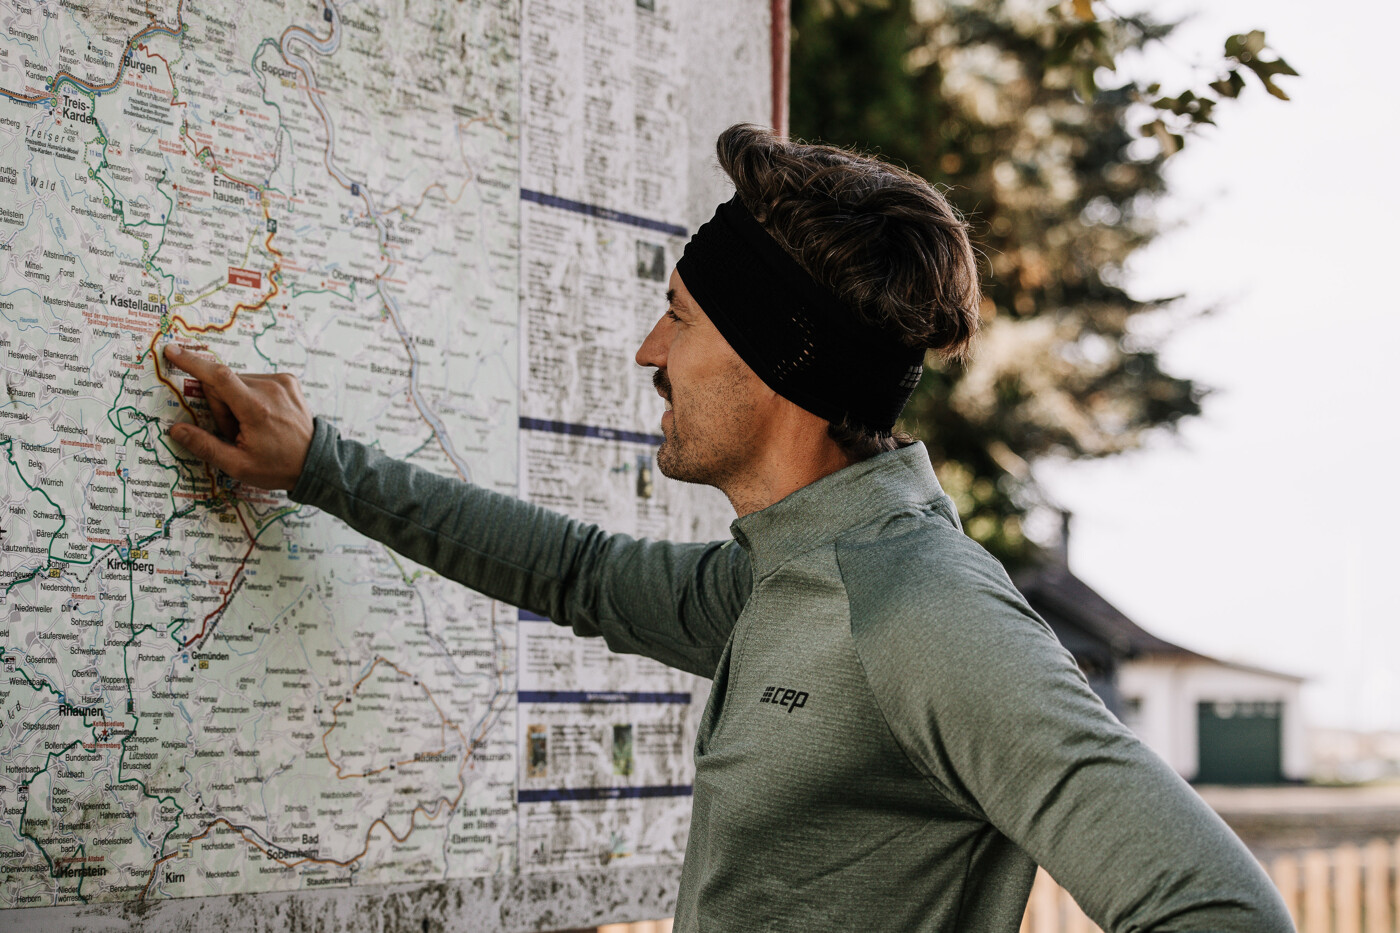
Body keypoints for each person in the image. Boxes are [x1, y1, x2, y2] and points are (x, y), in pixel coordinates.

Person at [163, 125, 1291, 932]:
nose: (649, 352)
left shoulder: (924, 612)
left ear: (779, 358)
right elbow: (577, 572)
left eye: (680, 317)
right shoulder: (784, 579)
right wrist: (316, 464)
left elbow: (1216, 909)